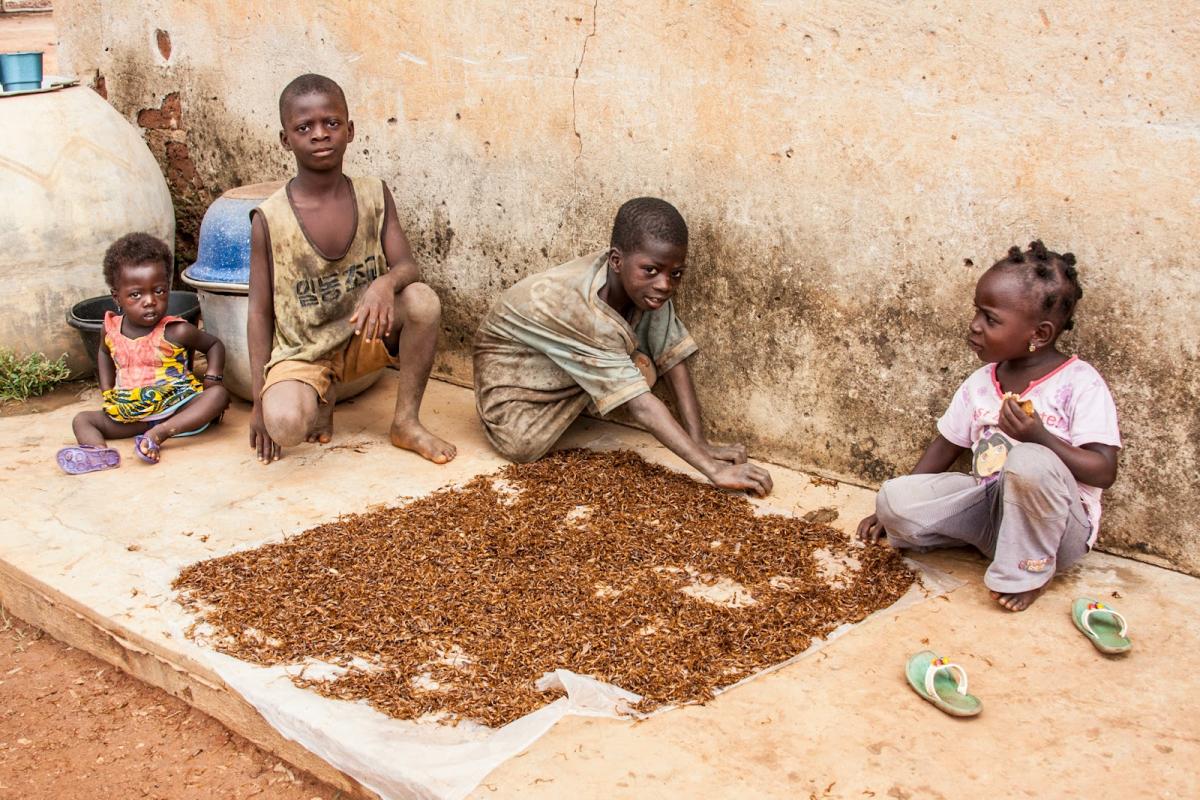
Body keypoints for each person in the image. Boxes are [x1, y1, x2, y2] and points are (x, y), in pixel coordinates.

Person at [856, 241, 1120, 611]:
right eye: (977, 312)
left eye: (991, 319)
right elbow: (946, 446)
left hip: (1057, 529)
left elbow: (1104, 471)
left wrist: (1040, 437)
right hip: (989, 512)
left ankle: (1029, 570)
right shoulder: (981, 382)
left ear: (1039, 334)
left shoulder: (1079, 382)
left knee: (1029, 460)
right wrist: (886, 511)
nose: (975, 326)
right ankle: (998, 545)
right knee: (895, 499)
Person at [473, 197, 773, 496]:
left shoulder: (641, 281)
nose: (665, 285)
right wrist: (714, 470)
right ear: (616, 260)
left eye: (676, 274)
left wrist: (700, 442)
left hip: (552, 373)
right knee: (637, 376)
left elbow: (671, 355)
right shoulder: (583, 313)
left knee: (642, 361)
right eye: (652, 271)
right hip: (516, 418)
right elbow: (640, 405)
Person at [247, 74, 456, 465]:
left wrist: (385, 283)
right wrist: (259, 402)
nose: (320, 134)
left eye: (332, 123)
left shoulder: (374, 194)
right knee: (286, 423)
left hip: (364, 334)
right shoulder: (269, 218)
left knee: (422, 301)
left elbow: (407, 266)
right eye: (304, 127)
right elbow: (258, 313)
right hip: (304, 352)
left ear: (351, 130)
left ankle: (406, 423)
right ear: (284, 139)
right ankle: (319, 397)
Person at [58, 233, 229, 473]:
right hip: (132, 415)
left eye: (158, 291)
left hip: (179, 408)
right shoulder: (110, 330)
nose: (149, 301)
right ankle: (98, 453)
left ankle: (158, 434)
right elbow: (104, 354)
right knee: (83, 420)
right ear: (117, 297)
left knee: (219, 396)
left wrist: (212, 377)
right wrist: (107, 390)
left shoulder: (177, 330)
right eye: (136, 294)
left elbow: (214, 346)